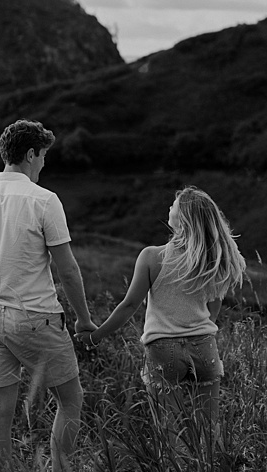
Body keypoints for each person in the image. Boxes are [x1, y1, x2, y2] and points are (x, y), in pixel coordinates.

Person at [0, 119, 96, 472]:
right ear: (30, 154)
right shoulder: (44, 200)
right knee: (71, 400)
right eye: (43, 156)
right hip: (37, 316)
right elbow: (68, 270)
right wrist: (83, 319)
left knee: (1, 407)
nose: (43, 164)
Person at [75, 186, 245, 439]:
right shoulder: (212, 260)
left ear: (182, 217)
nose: (169, 208)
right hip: (205, 345)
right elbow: (214, 308)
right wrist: (197, 330)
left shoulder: (152, 257)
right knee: (210, 427)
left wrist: (96, 336)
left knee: (169, 428)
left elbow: (129, 306)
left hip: (163, 348)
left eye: (174, 205)